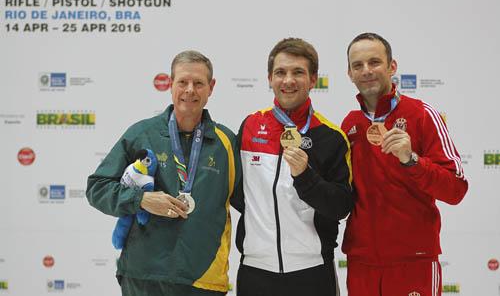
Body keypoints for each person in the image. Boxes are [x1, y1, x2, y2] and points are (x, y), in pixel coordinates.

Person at [86, 50, 241, 296]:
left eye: (199, 83)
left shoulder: (226, 143)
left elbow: (250, 201)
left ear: (211, 88)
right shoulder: (142, 133)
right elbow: (97, 188)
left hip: (202, 279)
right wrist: (141, 200)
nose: (190, 89)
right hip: (144, 276)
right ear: (170, 85)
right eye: (183, 82)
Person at [342, 32, 468, 296]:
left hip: (414, 261)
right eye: (358, 65)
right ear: (350, 74)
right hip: (362, 262)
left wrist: (412, 160)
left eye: (374, 62)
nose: (366, 71)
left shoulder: (422, 114)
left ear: (392, 66)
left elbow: (456, 189)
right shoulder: (350, 125)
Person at [233, 38, 353, 296]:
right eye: (280, 72)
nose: (288, 80)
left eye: (298, 72)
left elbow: (341, 206)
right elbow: (237, 195)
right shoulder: (250, 127)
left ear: (313, 80)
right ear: (269, 78)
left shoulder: (330, 137)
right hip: (255, 269)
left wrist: (306, 178)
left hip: (311, 271)